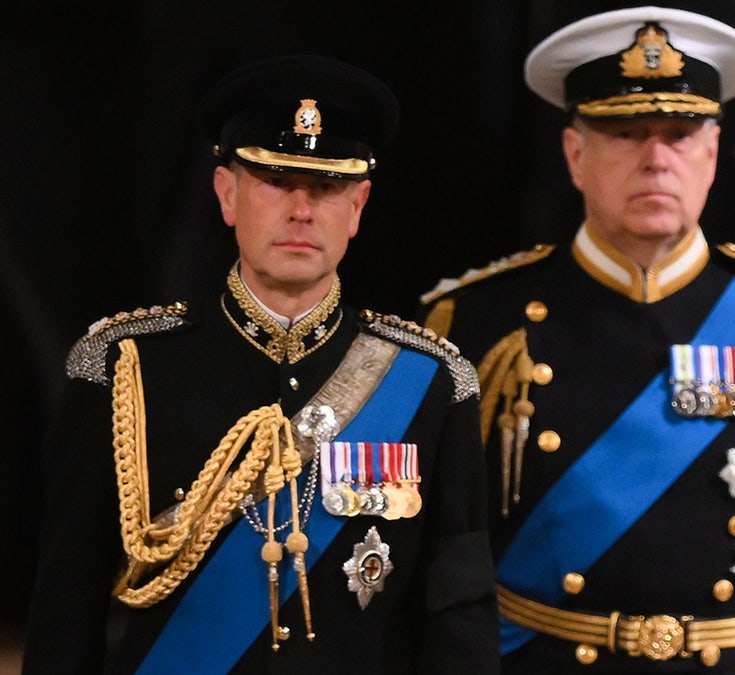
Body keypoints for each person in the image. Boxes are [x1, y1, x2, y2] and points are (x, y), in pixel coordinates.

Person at [419, 7, 735, 672]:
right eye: (626, 133)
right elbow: (443, 555)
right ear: (575, 154)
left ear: (713, 152)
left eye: (680, 133)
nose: (656, 159)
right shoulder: (475, 323)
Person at [22, 54, 499, 673]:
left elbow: (456, 613)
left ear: (358, 207)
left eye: (327, 188)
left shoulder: (430, 382)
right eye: (276, 181)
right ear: (227, 194)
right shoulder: (124, 368)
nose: (301, 210)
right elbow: (67, 608)